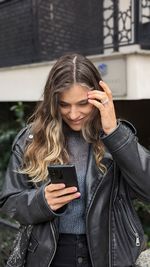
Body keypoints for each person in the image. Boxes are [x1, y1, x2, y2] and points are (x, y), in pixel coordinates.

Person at [0, 53, 150, 267]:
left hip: (108, 255)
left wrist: (113, 132)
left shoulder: (117, 137)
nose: (73, 114)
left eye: (82, 104)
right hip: (48, 257)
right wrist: (42, 201)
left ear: (98, 97)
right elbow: (10, 202)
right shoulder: (31, 139)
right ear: (53, 102)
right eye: (64, 105)